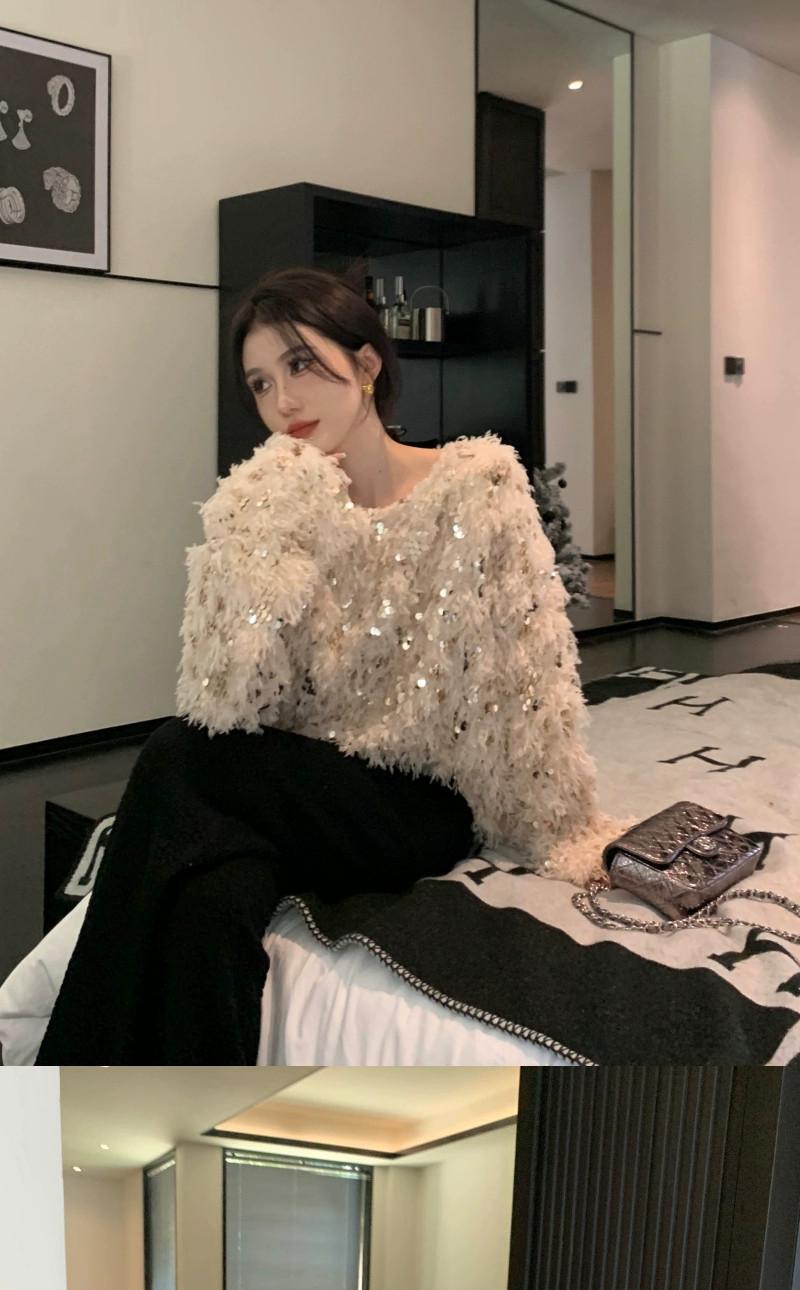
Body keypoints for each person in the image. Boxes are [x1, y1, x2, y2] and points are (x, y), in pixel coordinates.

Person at [38, 265, 614, 1064]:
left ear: (367, 363)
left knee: (174, 756)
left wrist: (563, 827)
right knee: (211, 896)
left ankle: (56, 1072)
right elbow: (226, 703)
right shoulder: (279, 504)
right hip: (301, 786)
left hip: (417, 804)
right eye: (260, 384)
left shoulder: (477, 488)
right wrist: (261, 532)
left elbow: (533, 677)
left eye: (301, 364)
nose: (283, 400)